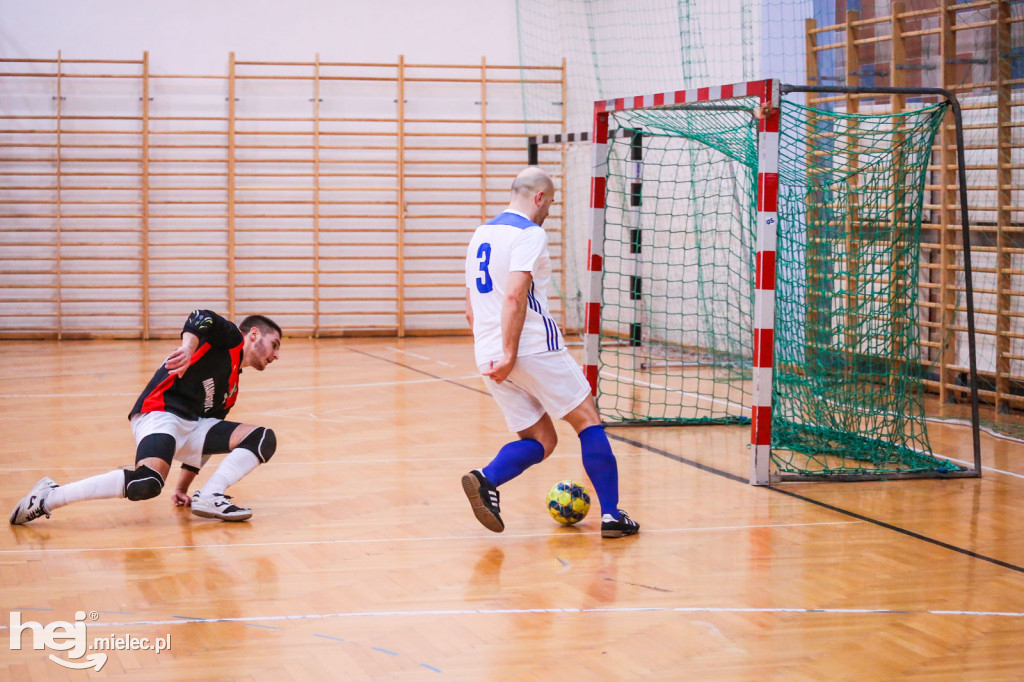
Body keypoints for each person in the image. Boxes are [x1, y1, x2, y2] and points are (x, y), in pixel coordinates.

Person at [461, 166, 639, 538]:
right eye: (551, 203)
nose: (549, 212)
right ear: (538, 197)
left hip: (487, 351)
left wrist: (497, 353)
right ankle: (611, 516)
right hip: (530, 345)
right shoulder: (530, 233)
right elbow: (514, 294)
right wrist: (512, 351)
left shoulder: (481, 233)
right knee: (587, 420)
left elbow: (471, 306)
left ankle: (486, 479)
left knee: (542, 439)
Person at [10, 310, 281, 525]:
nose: (276, 355)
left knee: (261, 437)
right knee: (147, 484)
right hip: (160, 412)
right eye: (274, 345)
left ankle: (210, 495)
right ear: (254, 334)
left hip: (191, 426)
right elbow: (201, 317)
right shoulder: (231, 337)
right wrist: (188, 347)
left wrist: (182, 487)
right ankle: (49, 497)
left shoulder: (231, 389)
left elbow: (205, 442)